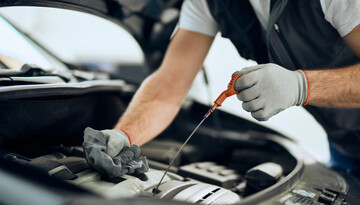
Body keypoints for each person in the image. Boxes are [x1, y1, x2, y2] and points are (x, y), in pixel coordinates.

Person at [91, 0, 360, 179]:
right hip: (344, 146)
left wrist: (301, 86)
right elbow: (170, 82)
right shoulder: (209, 2)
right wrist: (125, 134)